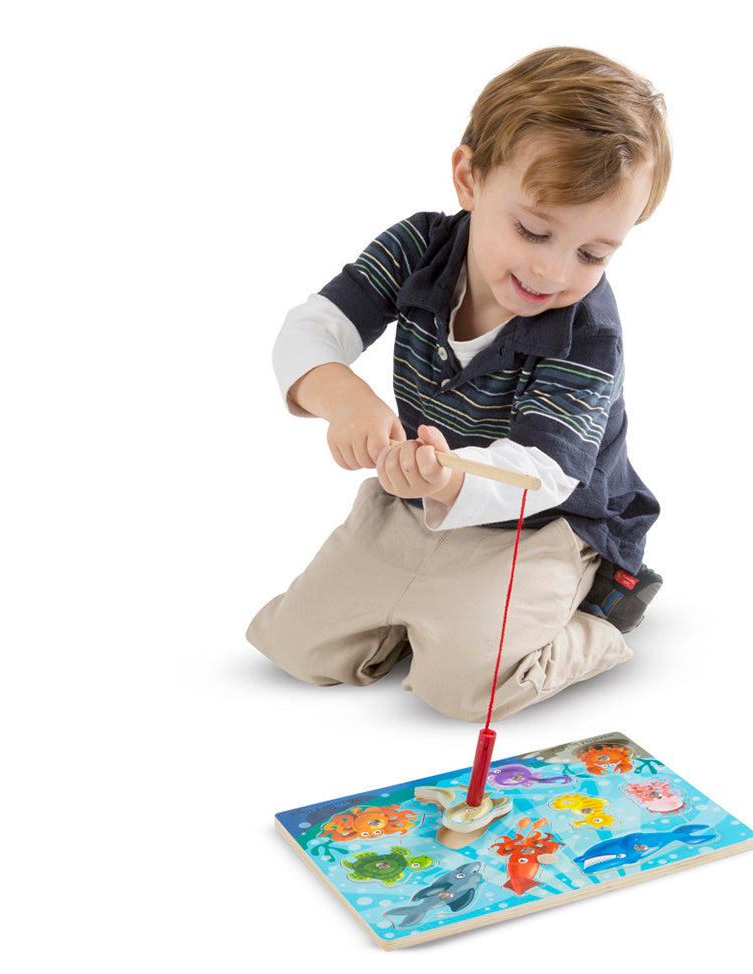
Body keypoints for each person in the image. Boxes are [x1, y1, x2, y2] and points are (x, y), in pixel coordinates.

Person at [247, 47, 670, 722]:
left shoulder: (587, 332)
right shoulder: (421, 246)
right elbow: (310, 330)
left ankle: (601, 615)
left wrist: (449, 481)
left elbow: (544, 473)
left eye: (592, 253)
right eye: (533, 230)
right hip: (416, 498)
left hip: (544, 524)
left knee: (463, 689)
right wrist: (345, 400)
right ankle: (429, 606)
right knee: (294, 644)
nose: (554, 271)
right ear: (469, 180)